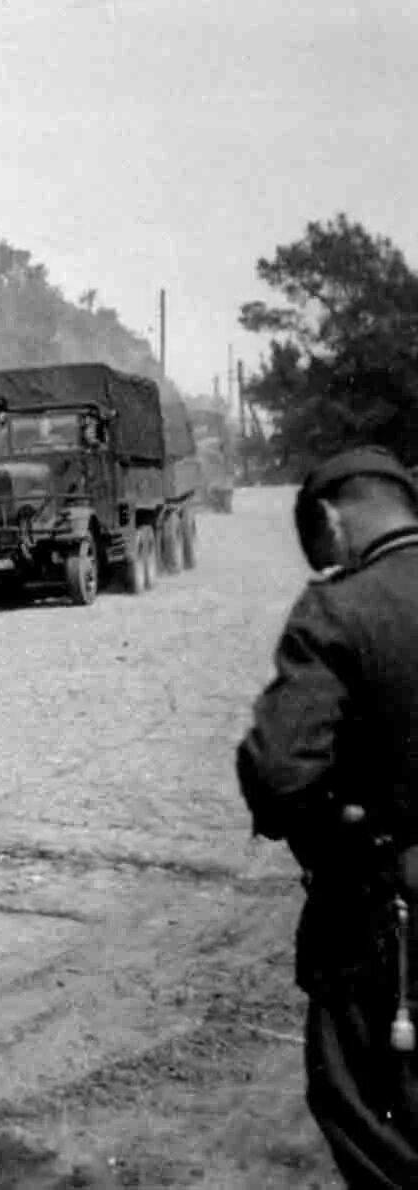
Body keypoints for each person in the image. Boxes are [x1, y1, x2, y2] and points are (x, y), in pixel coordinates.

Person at [236, 445, 418, 1188]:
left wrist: (339, 832)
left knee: (369, 1112)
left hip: (390, 920)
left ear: (331, 520)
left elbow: (280, 775)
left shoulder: (339, 610)